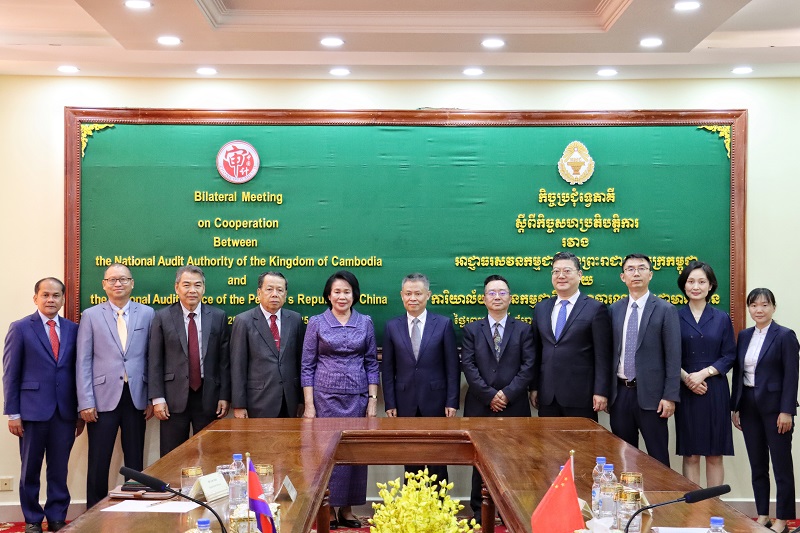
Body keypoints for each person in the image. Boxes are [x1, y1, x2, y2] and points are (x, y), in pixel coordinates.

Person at [3, 278, 84, 533]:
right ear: (35, 298)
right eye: (45, 295)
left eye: (56, 295)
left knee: (59, 469)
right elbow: (10, 374)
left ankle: (57, 516)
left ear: (63, 299)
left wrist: (80, 412)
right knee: (30, 470)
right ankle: (32, 519)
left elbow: (79, 372)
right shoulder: (20, 328)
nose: (51, 299)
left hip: (65, 412)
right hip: (31, 412)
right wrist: (13, 413)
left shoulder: (73, 329)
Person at [301, 270, 379, 530]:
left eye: (347, 291)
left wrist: (372, 400)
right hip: (325, 399)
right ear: (328, 295)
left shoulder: (365, 322)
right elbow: (307, 365)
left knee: (354, 454)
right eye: (337, 291)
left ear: (354, 295)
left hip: (357, 399)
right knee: (327, 454)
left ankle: (347, 509)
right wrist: (309, 405)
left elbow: (371, 363)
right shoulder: (316, 322)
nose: (342, 296)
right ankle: (329, 509)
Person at [76, 263, 155, 508]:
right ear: (104, 285)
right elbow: (83, 360)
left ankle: (134, 508)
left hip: (136, 397)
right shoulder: (90, 315)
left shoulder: (147, 313)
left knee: (135, 460)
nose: (117, 284)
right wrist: (85, 401)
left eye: (123, 279)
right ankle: (93, 511)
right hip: (101, 398)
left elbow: (152, 358)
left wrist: (151, 397)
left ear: (132, 283)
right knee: (99, 460)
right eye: (112, 280)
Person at [461, 274, 535, 524]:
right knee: (479, 459)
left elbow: (528, 366)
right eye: (491, 293)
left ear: (510, 298)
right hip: (480, 404)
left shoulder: (524, 329)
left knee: (514, 460)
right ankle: (478, 510)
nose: (497, 297)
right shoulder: (471, 330)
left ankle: (510, 509)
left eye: (502, 292)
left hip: (514, 405)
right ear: (484, 299)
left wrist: (507, 394)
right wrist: (490, 395)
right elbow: (469, 366)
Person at [731, 288, 799, 533]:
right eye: (754, 305)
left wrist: (787, 411)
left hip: (776, 409)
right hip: (749, 406)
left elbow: (792, 376)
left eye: (764, 305)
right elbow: (739, 373)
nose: (758, 310)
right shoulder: (744, 335)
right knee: (757, 464)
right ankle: (763, 515)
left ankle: (783, 519)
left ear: (773, 307)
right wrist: (735, 407)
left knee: (781, 466)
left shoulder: (785, 335)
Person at [382, 272, 460, 483]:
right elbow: (387, 369)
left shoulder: (443, 324)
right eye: (408, 294)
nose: (413, 298)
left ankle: (439, 502)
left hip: (436, 401)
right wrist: (390, 403)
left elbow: (452, 367)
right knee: (411, 458)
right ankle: (412, 502)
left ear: (428, 295)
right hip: (404, 401)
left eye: (418, 293)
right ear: (401, 295)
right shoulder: (392, 326)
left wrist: (452, 401)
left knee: (437, 459)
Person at [148, 265, 231, 457]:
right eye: (186, 285)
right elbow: (155, 360)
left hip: (208, 396)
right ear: (176, 288)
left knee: (210, 454)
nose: (192, 290)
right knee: (172, 456)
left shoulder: (218, 316)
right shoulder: (162, 317)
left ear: (204, 288)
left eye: (197, 285)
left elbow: (224, 361)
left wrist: (224, 396)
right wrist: (157, 398)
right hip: (172, 398)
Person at [609, 253, 680, 467]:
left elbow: (673, 356)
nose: (636, 273)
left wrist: (670, 396)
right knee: (623, 457)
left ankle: (661, 492)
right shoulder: (614, 310)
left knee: (658, 460)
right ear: (623, 277)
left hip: (653, 397)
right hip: (620, 394)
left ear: (650, 274)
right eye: (630, 269)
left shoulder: (665, 310)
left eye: (641, 268)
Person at [530, 252, 612, 420]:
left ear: (579, 274)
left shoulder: (595, 308)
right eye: (556, 271)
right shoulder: (541, 308)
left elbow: (602, 355)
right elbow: (537, 352)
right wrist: (534, 387)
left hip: (581, 396)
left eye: (567, 271)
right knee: (547, 438)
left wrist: (601, 391)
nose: (561, 276)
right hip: (548, 396)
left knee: (582, 438)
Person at [674, 261, 735, 487]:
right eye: (691, 281)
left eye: (701, 282)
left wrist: (704, 373)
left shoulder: (721, 317)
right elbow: (669, 355)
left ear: (710, 286)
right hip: (686, 389)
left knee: (714, 454)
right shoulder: (674, 316)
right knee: (690, 454)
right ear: (684, 285)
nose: (696, 286)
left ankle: (714, 504)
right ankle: (694, 506)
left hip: (714, 388)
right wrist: (688, 379)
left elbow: (729, 355)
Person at [230, 271, 305, 418]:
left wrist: (302, 400)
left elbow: (301, 361)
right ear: (259, 292)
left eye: (280, 290)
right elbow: (238, 366)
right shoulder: (243, 321)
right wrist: (239, 404)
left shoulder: (295, 320)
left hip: (289, 401)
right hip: (258, 401)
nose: (275, 294)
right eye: (269, 289)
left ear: (285, 294)